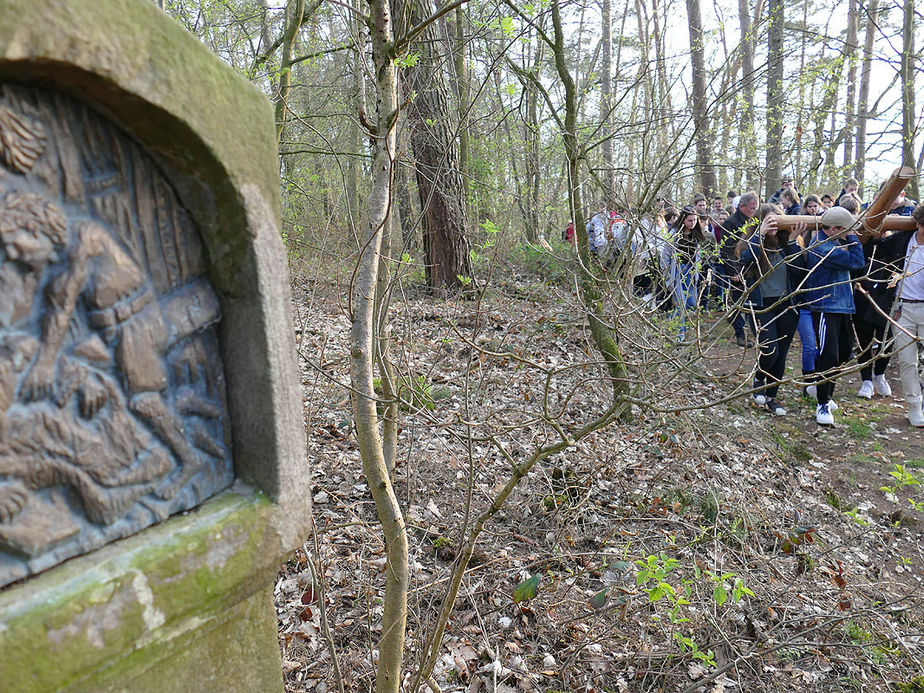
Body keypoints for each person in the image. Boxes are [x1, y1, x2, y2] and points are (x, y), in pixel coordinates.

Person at [737, 205, 805, 415]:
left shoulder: (787, 245)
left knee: (781, 354)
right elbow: (744, 262)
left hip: (787, 305)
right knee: (770, 349)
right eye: (769, 221)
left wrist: (794, 241)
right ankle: (759, 376)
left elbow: (801, 271)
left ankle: (771, 397)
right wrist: (760, 235)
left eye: (776, 221)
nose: (774, 225)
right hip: (762, 306)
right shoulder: (751, 244)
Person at [803, 206, 866, 425]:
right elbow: (858, 262)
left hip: (843, 306)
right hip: (826, 306)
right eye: (846, 230)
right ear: (833, 229)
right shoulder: (823, 248)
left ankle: (819, 387)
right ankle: (823, 402)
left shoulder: (835, 242)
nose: (850, 233)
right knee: (829, 355)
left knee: (843, 354)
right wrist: (853, 238)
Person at [864, 203, 924, 425]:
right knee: (907, 360)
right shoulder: (903, 241)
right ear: (918, 224)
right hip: (903, 308)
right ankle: (914, 405)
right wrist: (873, 232)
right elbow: (873, 248)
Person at [719, 191, 760, 347]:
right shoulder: (731, 222)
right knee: (738, 302)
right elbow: (726, 250)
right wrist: (733, 271)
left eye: (756, 208)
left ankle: (755, 333)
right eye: (751, 208)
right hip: (738, 268)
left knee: (753, 303)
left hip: (753, 267)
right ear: (742, 206)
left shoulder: (754, 220)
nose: (754, 210)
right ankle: (740, 334)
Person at [662, 206, 705, 342]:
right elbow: (665, 255)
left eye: (694, 220)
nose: (692, 223)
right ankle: (680, 332)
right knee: (680, 303)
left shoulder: (696, 235)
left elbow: (699, 254)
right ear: (683, 220)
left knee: (691, 302)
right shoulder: (675, 234)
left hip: (691, 272)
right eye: (689, 220)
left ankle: (673, 320)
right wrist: (667, 274)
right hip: (678, 271)